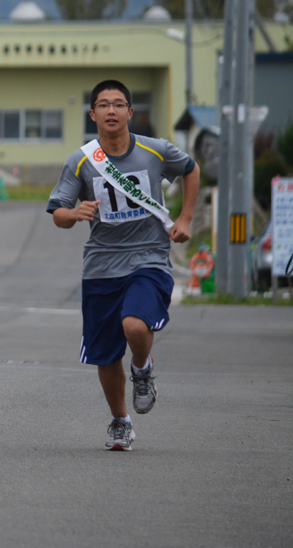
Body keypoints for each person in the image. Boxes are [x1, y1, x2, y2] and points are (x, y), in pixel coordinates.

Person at [47, 79, 199, 451]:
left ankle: (142, 369)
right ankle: (120, 422)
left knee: (134, 324)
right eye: (103, 105)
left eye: (118, 104)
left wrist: (186, 218)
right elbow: (58, 215)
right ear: (92, 114)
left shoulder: (155, 151)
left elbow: (191, 169)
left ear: (131, 112)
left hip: (149, 258)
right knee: (105, 353)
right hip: (101, 266)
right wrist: (75, 212)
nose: (111, 111)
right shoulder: (81, 160)